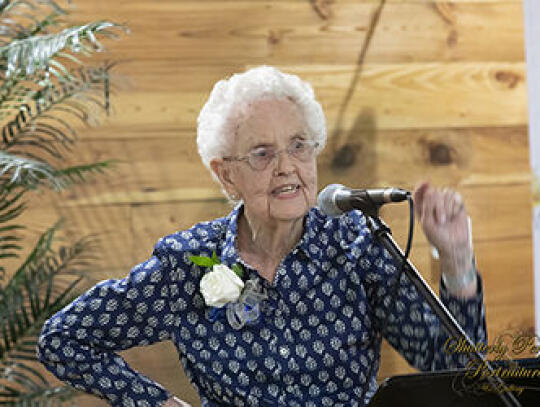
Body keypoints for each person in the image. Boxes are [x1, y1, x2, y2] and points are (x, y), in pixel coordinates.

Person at [37, 66, 486, 407]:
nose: (286, 166)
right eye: (262, 153)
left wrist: (457, 261)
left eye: (298, 145)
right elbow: (63, 340)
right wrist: (154, 403)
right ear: (225, 173)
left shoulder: (357, 246)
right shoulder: (187, 262)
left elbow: (460, 372)